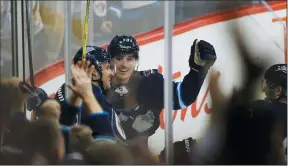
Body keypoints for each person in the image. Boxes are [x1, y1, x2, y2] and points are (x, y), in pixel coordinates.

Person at [105, 35, 217, 146]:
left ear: (136, 61)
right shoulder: (99, 85)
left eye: (129, 58)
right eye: (119, 58)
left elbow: (183, 96)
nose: (124, 64)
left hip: (138, 159)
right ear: (110, 60)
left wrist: (197, 71)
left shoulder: (150, 83)